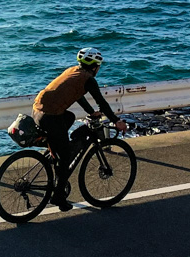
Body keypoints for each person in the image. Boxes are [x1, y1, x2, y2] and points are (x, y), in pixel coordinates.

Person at [33, 47, 127, 211]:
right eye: (99, 65)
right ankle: (58, 197)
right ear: (95, 66)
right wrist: (116, 120)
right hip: (50, 117)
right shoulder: (89, 79)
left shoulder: (73, 71)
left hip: (38, 111)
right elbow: (102, 102)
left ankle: (53, 149)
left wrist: (91, 112)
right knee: (65, 157)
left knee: (69, 117)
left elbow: (78, 95)